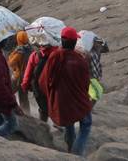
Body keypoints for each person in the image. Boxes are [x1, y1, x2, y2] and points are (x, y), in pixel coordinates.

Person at [40, 27, 93, 156]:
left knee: (69, 124)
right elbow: (86, 83)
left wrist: (52, 96)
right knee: (86, 124)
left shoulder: (54, 56)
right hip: (77, 100)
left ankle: (70, 150)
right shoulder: (80, 60)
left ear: (62, 41)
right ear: (75, 42)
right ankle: (77, 154)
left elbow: (43, 80)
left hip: (61, 100)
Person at [22, 40, 55, 123]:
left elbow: (28, 73)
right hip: (53, 86)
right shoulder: (56, 53)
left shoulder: (34, 55)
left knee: (43, 109)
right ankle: (57, 123)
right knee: (54, 106)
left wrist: (25, 85)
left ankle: (43, 126)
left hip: (38, 88)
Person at [8, 31, 33, 113]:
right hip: (27, 77)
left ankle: (9, 109)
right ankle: (27, 113)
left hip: (18, 77)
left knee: (8, 92)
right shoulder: (31, 50)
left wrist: (14, 52)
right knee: (23, 97)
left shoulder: (19, 52)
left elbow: (11, 63)